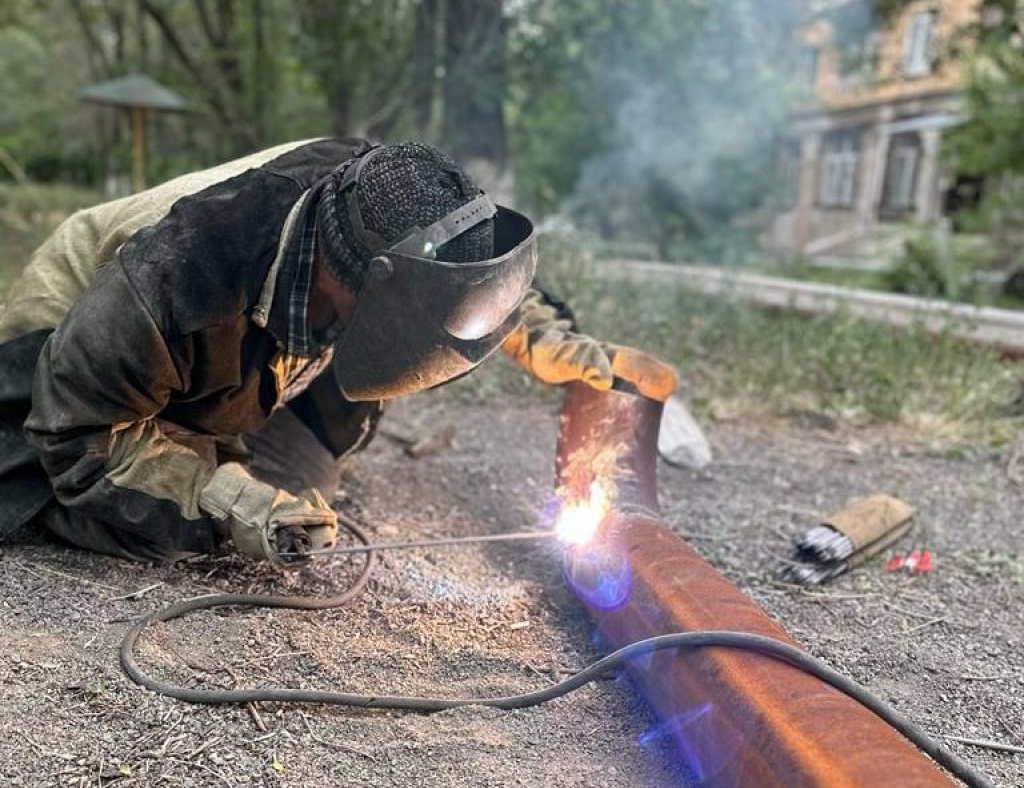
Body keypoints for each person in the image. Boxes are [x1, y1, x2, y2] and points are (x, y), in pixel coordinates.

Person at [0, 138, 676, 566]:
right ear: (361, 282)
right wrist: (227, 500)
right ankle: (188, 453)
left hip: (234, 361)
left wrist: (546, 336)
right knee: (149, 516)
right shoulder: (180, 274)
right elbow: (76, 435)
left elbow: (458, 267)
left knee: (300, 499)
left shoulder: (390, 192)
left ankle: (211, 447)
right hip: (69, 368)